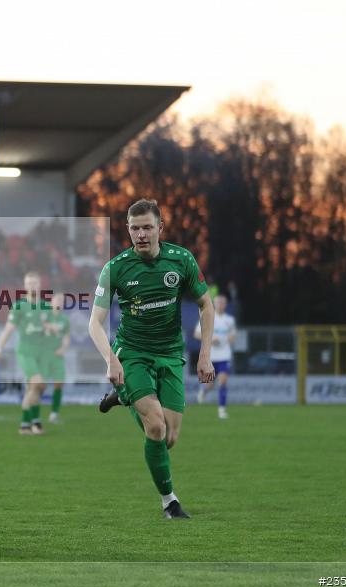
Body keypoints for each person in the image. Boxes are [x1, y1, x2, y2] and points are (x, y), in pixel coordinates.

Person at [89, 199, 214, 519]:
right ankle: (170, 502)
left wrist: (205, 355)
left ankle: (123, 396)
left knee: (168, 437)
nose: (141, 234)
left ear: (160, 228)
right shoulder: (116, 268)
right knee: (155, 427)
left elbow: (206, 305)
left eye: (147, 227)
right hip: (132, 354)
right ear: (128, 230)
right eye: (135, 228)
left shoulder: (181, 260)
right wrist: (111, 360)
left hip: (170, 354)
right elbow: (95, 323)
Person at [0, 271, 60, 435]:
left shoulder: (46, 306)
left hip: (42, 353)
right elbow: (9, 329)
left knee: (35, 389)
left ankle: (30, 423)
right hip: (26, 351)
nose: (31, 286)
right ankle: (29, 424)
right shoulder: (19, 306)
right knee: (38, 383)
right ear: (24, 286)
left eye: (34, 283)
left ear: (40, 285)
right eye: (28, 283)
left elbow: (52, 328)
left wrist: (52, 328)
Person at [195, 294, 236, 419]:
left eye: (223, 303)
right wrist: (211, 339)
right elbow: (197, 334)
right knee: (210, 384)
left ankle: (222, 410)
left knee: (223, 381)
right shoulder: (207, 317)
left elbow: (233, 336)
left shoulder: (229, 320)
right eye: (218, 302)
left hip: (224, 356)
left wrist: (226, 340)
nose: (220, 305)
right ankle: (204, 390)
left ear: (225, 304)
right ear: (214, 304)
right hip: (211, 356)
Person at [45, 292, 71, 424]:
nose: (60, 302)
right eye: (57, 299)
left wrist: (63, 349)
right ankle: (30, 411)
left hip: (57, 356)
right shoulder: (45, 315)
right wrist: (49, 326)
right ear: (51, 301)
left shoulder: (65, 320)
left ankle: (54, 414)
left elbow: (66, 337)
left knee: (58, 383)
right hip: (43, 355)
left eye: (62, 300)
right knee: (37, 385)